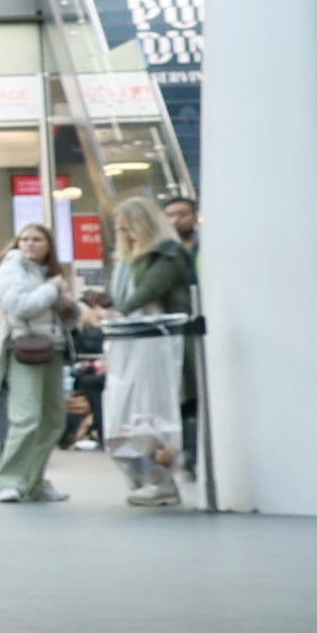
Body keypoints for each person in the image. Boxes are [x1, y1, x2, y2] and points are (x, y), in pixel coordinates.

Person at [0, 221, 82, 505]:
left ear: (48, 245)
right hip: (25, 348)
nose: (30, 245)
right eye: (25, 239)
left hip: (53, 348)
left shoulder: (47, 272)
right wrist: (51, 290)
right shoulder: (12, 268)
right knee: (26, 418)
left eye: (37, 240)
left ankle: (34, 480)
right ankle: (11, 481)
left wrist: (68, 306)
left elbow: (64, 313)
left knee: (53, 421)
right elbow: (19, 305)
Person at [107, 193, 202, 505]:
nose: (126, 235)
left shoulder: (168, 254)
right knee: (143, 414)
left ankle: (164, 480)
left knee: (161, 413)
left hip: (163, 344)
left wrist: (119, 312)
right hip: (141, 344)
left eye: (129, 228)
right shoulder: (131, 259)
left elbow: (150, 289)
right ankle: (155, 479)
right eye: (121, 230)